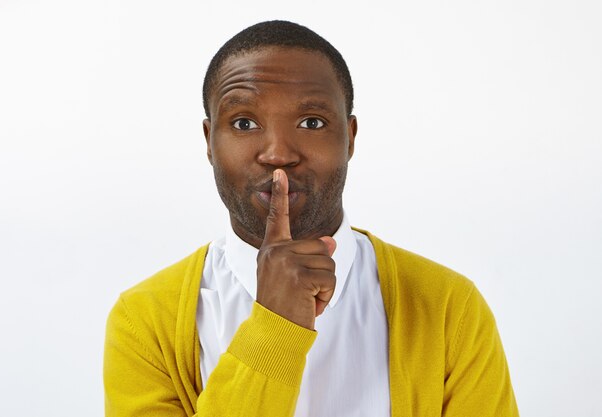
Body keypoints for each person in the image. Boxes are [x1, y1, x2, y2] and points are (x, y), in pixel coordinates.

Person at [103, 20, 519, 417]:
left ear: (350, 138)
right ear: (209, 142)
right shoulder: (144, 320)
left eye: (311, 122)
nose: (278, 152)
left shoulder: (448, 307)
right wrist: (275, 326)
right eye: (244, 122)